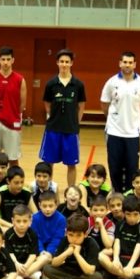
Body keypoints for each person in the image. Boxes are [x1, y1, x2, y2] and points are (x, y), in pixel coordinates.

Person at [100, 50, 140, 193]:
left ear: (134, 64)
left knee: (132, 168)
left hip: (132, 134)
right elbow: (104, 104)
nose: (127, 65)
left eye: (130, 62)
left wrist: (137, 121)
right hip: (114, 132)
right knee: (114, 167)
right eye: (125, 62)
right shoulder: (111, 82)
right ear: (120, 63)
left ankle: (129, 196)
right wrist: (113, 119)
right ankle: (116, 194)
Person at [39, 48, 86, 186]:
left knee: (71, 164)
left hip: (70, 130)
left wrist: (75, 123)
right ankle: (48, 189)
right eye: (62, 61)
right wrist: (54, 117)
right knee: (48, 162)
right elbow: (47, 104)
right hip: (53, 129)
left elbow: (81, 106)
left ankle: (71, 190)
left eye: (67, 61)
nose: (64, 64)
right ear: (57, 63)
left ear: (71, 63)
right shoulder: (51, 84)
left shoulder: (78, 85)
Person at [38, 214, 104, 279]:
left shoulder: (92, 244)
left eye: (78, 235)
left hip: (83, 275)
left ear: (85, 234)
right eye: (71, 235)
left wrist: (77, 254)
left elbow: (89, 271)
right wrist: (66, 253)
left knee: (97, 278)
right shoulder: (64, 240)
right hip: (66, 273)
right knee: (47, 268)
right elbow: (54, 263)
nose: (74, 239)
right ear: (66, 232)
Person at [98, 195, 140, 279]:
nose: (132, 218)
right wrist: (116, 259)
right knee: (101, 256)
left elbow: (139, 247)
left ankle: (113, 274)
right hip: (120, 259)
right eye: (128, 214)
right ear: (124, 213)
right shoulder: (120, 224)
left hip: (135, 261)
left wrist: (130, 266)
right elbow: (117, 242)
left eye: (135, 214)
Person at [0, 46, 27, 170]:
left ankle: (14, 180)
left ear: (13, 60)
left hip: (13, 122)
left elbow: (22, 104)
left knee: (13, 158)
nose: (6, 62)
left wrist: (11, 114)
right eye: (3, 59)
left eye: (8, 59)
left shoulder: (20, 80)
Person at [4, 204, 50, 279]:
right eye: (18, 221)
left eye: (25, 221)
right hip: (15, 264)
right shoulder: (8, 234)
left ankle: (19, 275)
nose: (21, 224)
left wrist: (25, 266)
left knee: (45, 258)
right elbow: (10, 254)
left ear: (30, 221)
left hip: (28, 264)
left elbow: (33, 254)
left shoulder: (32, 234)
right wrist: (17, 264)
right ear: (13, 221)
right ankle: (31, 275)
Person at [0, 166, 35, 230]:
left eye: (22, 182)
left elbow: (36, 214)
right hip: (7, 227)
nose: (20, 185)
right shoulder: (1, 192)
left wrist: (26, 224)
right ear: (8, 181)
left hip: (23, 226)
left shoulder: (27, 193)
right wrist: (11, 226)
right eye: (16, 183)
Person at [31, 190, 66, 258]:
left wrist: (49, 251)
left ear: (56, 205)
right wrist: (41, 251)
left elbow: (58, 238)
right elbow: (36, 237)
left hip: (55, 248)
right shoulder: (34, 218)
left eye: (50, 206)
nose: (47, 209)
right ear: (39, 205)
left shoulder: (61, 219)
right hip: (38, 248)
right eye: (44, 206)